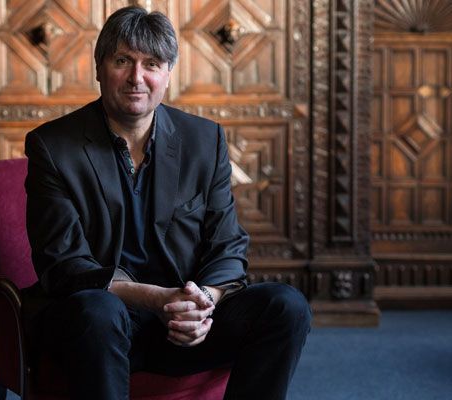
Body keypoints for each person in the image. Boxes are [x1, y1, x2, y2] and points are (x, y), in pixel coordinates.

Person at [23, 5, 311, 399]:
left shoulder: (204, 141)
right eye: (122, 60)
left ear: (168, 74)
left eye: (152, 64)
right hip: (97, 327)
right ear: (99, 67)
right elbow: (64, 264)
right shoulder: (53, 147)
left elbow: (227, 247)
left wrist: (203, 301)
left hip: (184, 326)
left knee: (286, 306)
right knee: (96, 310)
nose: (136, 78)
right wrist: (155, 299)